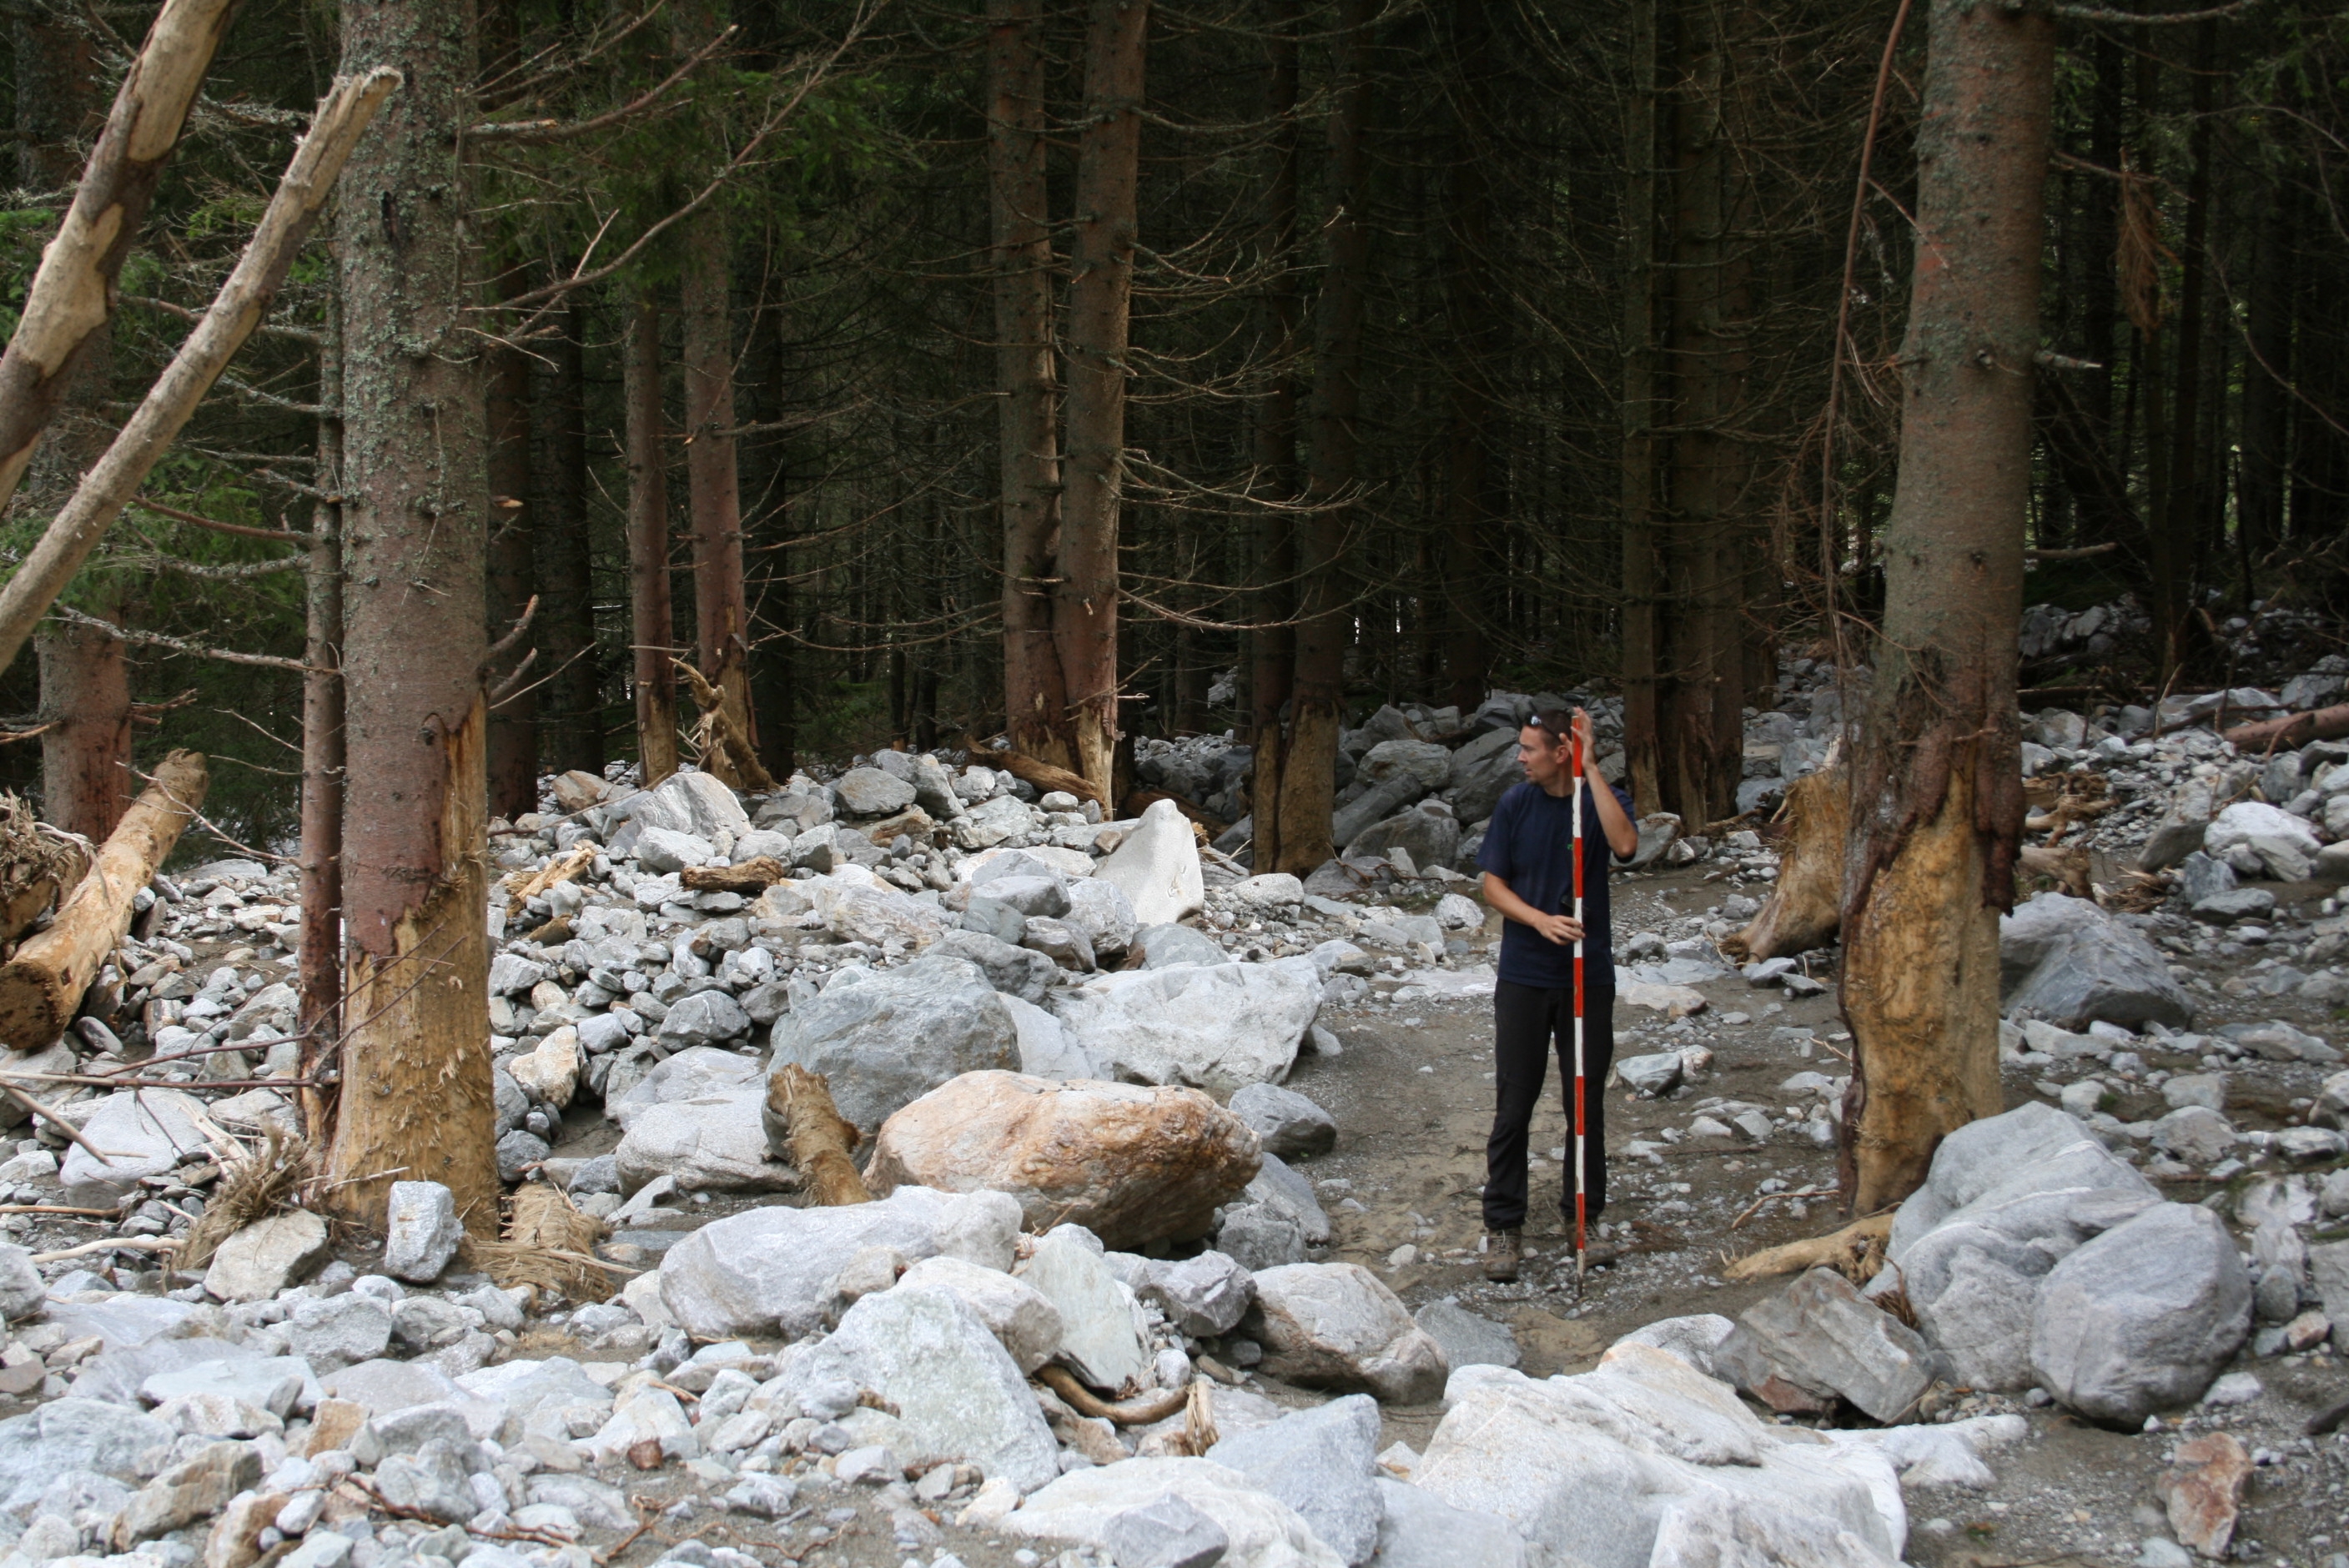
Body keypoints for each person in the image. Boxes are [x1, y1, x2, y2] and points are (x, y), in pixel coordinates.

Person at [1474, 706, 1640, 1283]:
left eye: (1530, 749)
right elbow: (1492, 886)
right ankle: (1503, 1224)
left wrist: (1592, 769)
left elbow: (1625, 847)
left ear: (1561, 752)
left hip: (1585, 976)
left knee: (1584, 1102)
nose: (1520, 758)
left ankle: (1584, 1218)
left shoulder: (1595, 802)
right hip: (1524, 974)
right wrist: (1540, 921)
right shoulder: (1515, 805)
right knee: (1513, 1105)